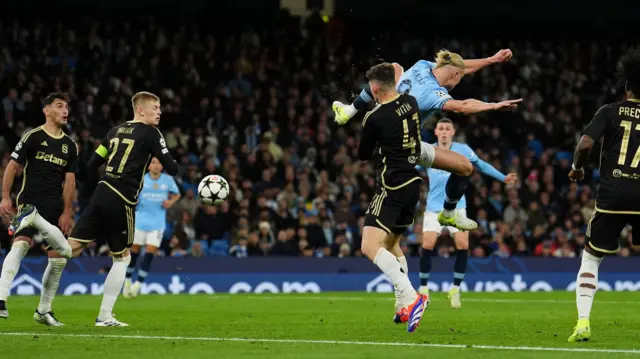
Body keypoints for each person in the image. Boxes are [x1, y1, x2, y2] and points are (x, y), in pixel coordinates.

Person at [10, 91, 179, 327]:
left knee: (71, 249)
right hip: (122, 198)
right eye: (155, 107)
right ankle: (105, 316)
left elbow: (93, 163)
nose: (159, 112)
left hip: (102, 193)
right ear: (140, 110)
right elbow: (171, 167)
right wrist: (170, 159)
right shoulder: (152, 133)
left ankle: (36, 226)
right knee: (122, 258)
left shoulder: (114, 132)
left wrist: (94, 189)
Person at [334, 49, 522, 232]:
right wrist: (494, 106)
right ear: (455, 73)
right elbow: (462, 106)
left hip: (390, 131)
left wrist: (491, 60)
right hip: (403, 149)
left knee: (394, 68)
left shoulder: (422, 65)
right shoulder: (432, 93)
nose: (459, 81)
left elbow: (462, 67)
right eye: (460, 76)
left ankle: (348, 112)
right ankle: (448, 211)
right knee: (465, 169)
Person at [567, 47, 640, 342]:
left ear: (626, 87)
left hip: (612, 196)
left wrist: (577, 169)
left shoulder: (610, 111)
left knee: (591, 258)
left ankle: (583, 322)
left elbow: (585, 144)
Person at [417, 118, 517, 309]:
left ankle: (455, 289)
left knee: (463, 245)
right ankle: (423, 289)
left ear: (453, 132)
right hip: (433, 206)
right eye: (441, 128)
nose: (444, 131)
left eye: (448, 128)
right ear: (436, 132)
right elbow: (411, 166)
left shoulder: (462, 149)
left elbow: (481, 165)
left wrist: (503, 177)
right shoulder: (428, 150)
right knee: (428, 245)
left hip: (457, 206)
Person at [0, 93, 77, 326]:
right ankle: (1, 300)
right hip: (29, 200)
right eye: (59, 106)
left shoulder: (69, 145)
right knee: (21, 245)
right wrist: (5, 197)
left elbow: (70, 181)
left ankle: (43, 310)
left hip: (54, 206)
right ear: (46, 110)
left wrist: (67, 212)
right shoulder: (32, 137)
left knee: (60, 258)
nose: (65, 110)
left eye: (67, 107)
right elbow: (12, 168)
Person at [124, 157, 181, 298]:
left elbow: (178, 194)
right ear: (148, 166)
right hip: (140, 222)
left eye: (159, 163)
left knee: (150, 252)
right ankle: (127, 281)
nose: (156, 165)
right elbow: (130, 194)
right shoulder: (141, 179)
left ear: (162, 166)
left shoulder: (167, 180)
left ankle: (138, 285)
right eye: (153, 163)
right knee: (135, 252)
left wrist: (170, 202)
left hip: (157, 224)